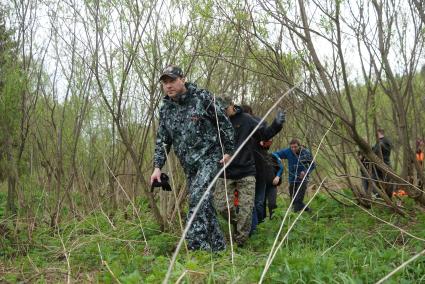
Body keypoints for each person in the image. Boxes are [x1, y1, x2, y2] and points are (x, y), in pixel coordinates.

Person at [150, 65, 235, 252]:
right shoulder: (166, 110)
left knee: (197, 198)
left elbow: (225, 125)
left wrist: (228, 150)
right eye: (165, 82)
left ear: (183, 79)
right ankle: (218, 248)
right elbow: (163, 140)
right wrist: (157, 166)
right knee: (204, 203)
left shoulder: (203, 98)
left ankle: (198, 249)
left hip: (211, 158)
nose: (168, 86)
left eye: (172, 81)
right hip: (189, 166)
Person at [214, 96, 285, 246]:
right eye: (220, 110)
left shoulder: (246, 119)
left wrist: (277, 125)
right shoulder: (218, 122)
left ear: (232, 105)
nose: (223, 112)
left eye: (225, 109)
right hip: (225, 173)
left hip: (246, 172)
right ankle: (240, 227)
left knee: (246, 211)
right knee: (222, 207)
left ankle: (241, 243)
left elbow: (264, 133)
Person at [273, 139, 316, 213]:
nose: (293, 149)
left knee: (297, 201)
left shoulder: (306, 152)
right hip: (292, 179)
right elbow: (274, 154)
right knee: (294, 201)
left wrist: (306, 172)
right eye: (292, 147)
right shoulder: (288, 151)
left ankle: (295, 218)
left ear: (299, 146)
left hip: (303, 180)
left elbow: (313, 165)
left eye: (295, 147)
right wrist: (278, 159)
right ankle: (309, 211)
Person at [371, 129, 393, 198]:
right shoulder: (387, 141)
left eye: (376, 134)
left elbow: (375, 152)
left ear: (379, 133)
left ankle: (380, 195)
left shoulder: (380, 142)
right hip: (387, 163)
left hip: (381, 164)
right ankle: (387, 196)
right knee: (387, 180)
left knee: (374, 179)